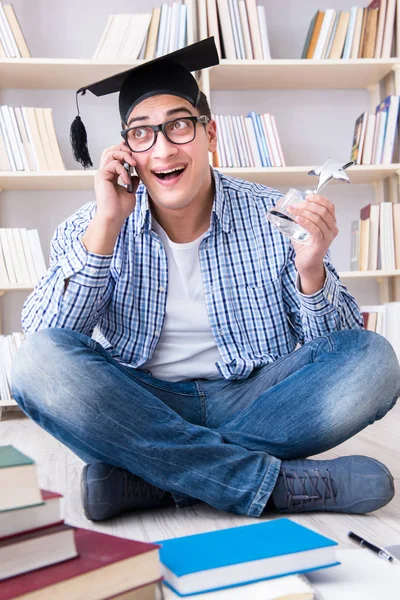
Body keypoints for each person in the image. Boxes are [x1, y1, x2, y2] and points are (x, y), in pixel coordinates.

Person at [11, 38, 400, 522]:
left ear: (209, 133)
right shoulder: (92, 224)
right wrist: (107, 226)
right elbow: (49, 336)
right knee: (36, 364)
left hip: (257, 397)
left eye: (178, 126)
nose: (163, 148)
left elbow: (334, 347)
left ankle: (152, 476)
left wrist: (311, 270)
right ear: (126, 150)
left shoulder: (274, 213)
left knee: (374, 358)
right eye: (142, 134)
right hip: (143, 401)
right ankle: (271, 482)